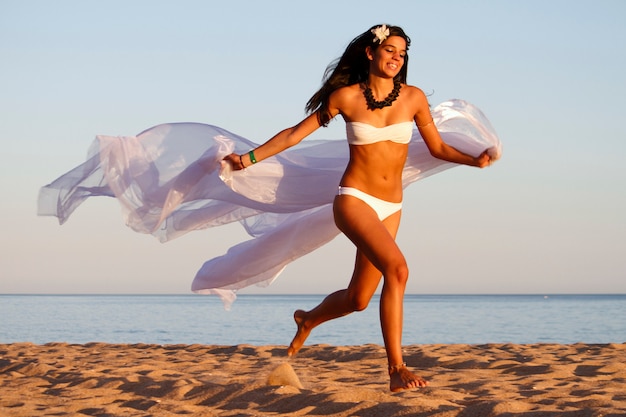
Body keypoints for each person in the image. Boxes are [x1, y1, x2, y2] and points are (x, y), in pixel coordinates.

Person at [222, 24, 493, 392]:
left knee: (359, 299)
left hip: (392, 204)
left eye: (402, 53)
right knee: (397, 269)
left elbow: (438, 148)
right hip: (354, 199)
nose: (397, 59)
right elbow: (293, 134)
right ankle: (396, 369)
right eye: (390, 51)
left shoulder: (413, 98)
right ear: (371, 52)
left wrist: (473, 160)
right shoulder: (345, 97)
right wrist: (247, 158)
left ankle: (308, 319)